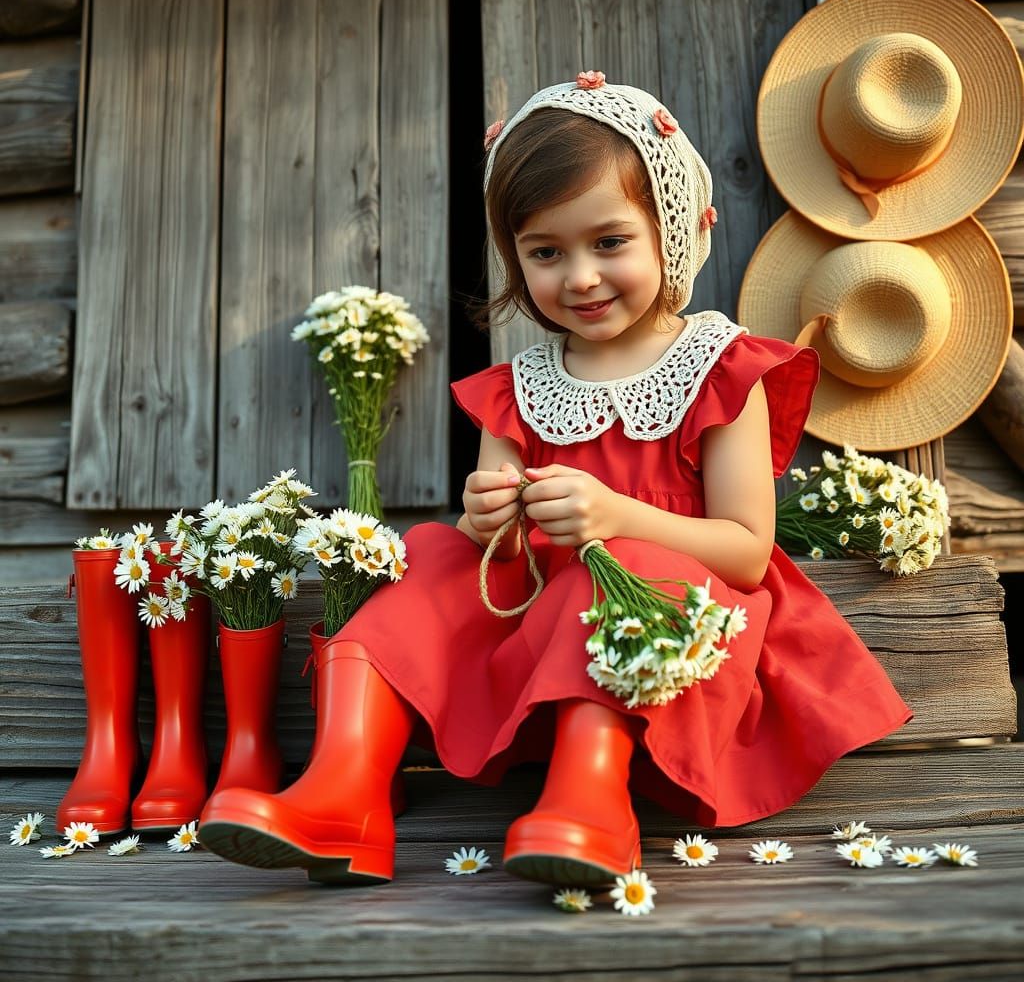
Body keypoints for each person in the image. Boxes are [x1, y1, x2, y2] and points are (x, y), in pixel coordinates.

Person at [198, 75, 912, 887]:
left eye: (610, 242)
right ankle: (344, 793)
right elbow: (487, 551)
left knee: (618, 570)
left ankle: (593, 805)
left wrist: (615, 516)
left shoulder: (722, 368)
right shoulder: (521, 385)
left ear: (669, 234)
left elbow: (747, 555)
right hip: (529, 643)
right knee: (426, 552)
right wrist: (483, 515)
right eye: (546, 252)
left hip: (670, 650)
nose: (579, 276)